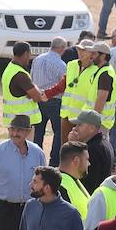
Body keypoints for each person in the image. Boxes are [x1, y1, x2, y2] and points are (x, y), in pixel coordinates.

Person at [32, 37, 69, 165]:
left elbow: (32, 78)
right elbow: (62, 85)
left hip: (38, 98)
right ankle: (54, 162)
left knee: (38, 131)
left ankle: (36, 160)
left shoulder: (37, 59)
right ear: (62, 48)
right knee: (58, 132)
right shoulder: (61, 65)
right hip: (55, 100)